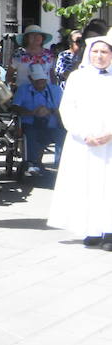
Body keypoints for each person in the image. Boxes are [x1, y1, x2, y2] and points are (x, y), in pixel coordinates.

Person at [46, 35, 112, 248]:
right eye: (95, 52)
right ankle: (91, 229)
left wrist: (109, 134)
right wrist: (83, 134)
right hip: (83, 142)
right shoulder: (77, 77)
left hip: (109, 142)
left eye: (104, 52)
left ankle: (109, 230)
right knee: (87, 184)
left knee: (108, 185)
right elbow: (67, 108)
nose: (99, 56)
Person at [11, 63, 64, 175]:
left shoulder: (56, 90)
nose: (41, 83)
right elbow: (15, 107)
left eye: (43, 80)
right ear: (31, 79)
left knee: (62, 134)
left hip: (51, 124)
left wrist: (50, 111)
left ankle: (60, 164)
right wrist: (31, 112)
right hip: (30, 124)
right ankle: (32, 164)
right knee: (30, 134)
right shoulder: (23, 89)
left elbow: (64, 108)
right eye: (37, 80)